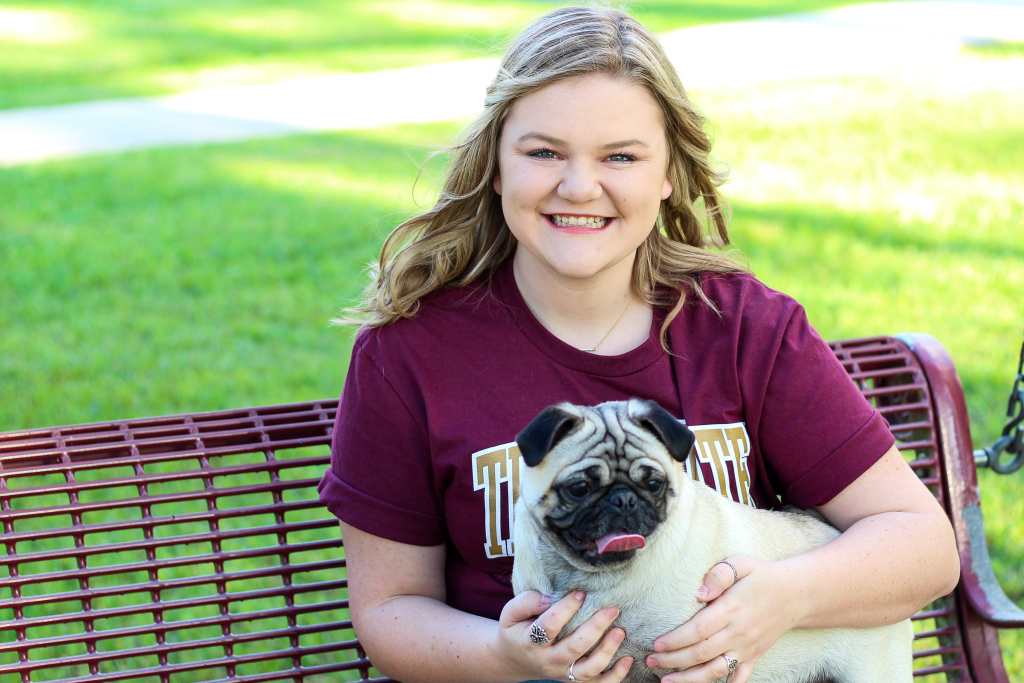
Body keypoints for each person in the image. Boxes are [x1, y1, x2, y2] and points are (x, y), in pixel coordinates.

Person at [317, 6, 960, 683]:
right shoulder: (412, 353)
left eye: (620, 156)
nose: (579, 186)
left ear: (667, 175)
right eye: (543, 152)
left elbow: (922, 547)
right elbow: (390, 608)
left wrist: (781, 595)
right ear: (497, 166)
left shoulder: (742, 328)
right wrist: (505, 654)